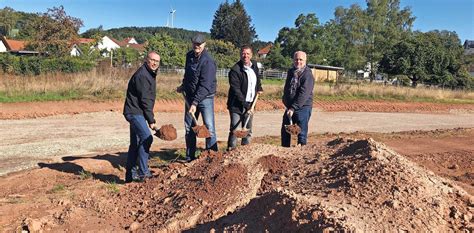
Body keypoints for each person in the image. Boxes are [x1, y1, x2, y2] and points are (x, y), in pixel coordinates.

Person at [177, 33, 218, 161]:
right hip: (190, 96)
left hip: (205, 97)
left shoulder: (208, 62)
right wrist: (183, 86)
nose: (197, 46)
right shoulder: (189, 56)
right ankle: (190, 157)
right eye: (195, 43)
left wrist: (195, 103)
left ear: (204, 45)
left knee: (209, 127)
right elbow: (188, 75)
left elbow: (205, 85)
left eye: (199, 44)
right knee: (189, 127)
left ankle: (212, 157)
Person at [123, 51, 160, 183]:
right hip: (134, 113)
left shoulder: (149, 73)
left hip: (136, 112)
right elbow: (145, 100)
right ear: (146, 60)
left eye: (157, 61)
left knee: (135, 144)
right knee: (147, 138)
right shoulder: (143, 75)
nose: (154, 63)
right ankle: (144, 173)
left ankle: (130, 176)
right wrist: (151, 121)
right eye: (152, 60)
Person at [226, 45, 263, 151]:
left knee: (247, 130)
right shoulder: (235, 70)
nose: (245, 56)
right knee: (235, 129)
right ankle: (231, 151)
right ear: (240, 54)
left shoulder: (254, 65)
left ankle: (245, 152)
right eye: (243, 53)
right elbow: (236, 90)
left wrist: (259, 87)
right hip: (237, 105)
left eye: (247, 53)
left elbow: (257, 79)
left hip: (251, 103)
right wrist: (246, 106)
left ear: (251, 55)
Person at [281, 51, 314, 147]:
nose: (298, 62)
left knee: (301, 133)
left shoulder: (307, 75)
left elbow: (303, 94)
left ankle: (301, 153)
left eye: (300, 60)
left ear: (305, 61)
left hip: (303, 107)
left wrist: (293, 107)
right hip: (290, 106)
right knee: (285, 130)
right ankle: (284, 152)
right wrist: (285, 101)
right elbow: (287, 88)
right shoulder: (291, 72)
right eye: (296, 59)